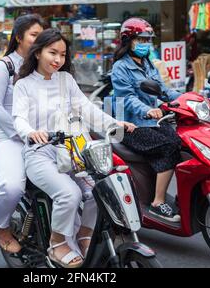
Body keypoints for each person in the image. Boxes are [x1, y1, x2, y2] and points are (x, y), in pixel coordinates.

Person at [12, 28, 136, 268]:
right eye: (52, 53)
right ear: (37, 53)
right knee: (69, 194)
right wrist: (31, 132)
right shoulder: (24, 85)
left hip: (72, 150)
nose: (58, 60)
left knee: (97, 190)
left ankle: (84, 235)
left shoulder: (65, 80)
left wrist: (114, 123)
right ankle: (57, 243)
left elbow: (86, 108)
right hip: (41, 153)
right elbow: (18, 117)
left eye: (62, 54)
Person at [111, 17, 182, 222]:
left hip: (153, 122)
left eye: (147, 40)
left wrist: (190, 98)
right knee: (169, 145)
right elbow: (126, 98)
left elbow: (162, 90)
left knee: (181, 141)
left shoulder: (148, 63)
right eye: (140, 40)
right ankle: (158, 202)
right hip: (130, 125)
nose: (145, 44)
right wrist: (147, 110)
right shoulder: (120, 67)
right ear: (128, 40)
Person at [0, 14, 45, 254]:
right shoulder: (4, 67)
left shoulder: (44, 66)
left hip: (42, 135)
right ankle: (1, 228)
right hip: (10, 136)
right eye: (34, 35)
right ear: (19, 37)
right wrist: (22, 131)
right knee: (12, 187)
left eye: (42, 36)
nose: (39, 40)